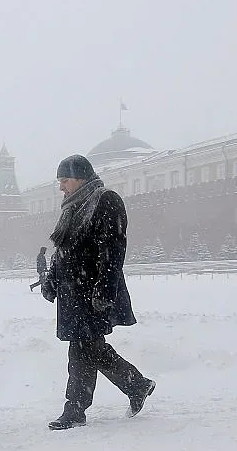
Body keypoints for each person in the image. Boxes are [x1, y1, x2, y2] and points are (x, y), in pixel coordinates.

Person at [41, 154, 156, 430]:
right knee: (90, 349)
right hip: (73, 292)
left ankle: (76, 409)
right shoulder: (73, 206)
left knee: (83, 350)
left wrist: (104, 290)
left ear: (80, 177)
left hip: (91, 293)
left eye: (64, 180)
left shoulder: (105, 200)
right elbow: (63, 251)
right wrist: (52, 280)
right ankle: (136, 385)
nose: (61, 187)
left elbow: (113, 249)